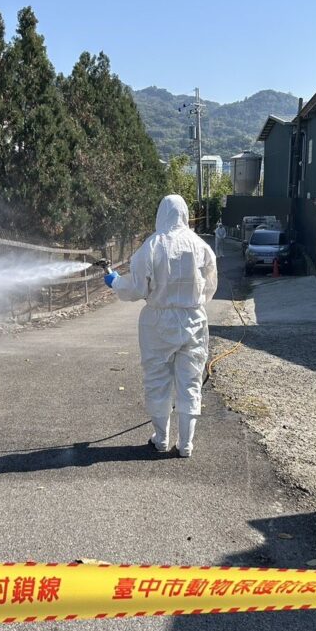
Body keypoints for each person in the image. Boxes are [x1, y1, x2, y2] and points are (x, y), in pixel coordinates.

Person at [104, 195, 217, 457]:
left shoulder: (152, 245)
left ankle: (161, 438)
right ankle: (186, 444)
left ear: (161, 214)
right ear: (184, 214)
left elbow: (136, 289)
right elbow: (210, 286)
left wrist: (115, 282)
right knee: (190, 381)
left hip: (157, 321)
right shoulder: (200, 246)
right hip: (193, 319)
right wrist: (192, 302)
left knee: (157, 380)